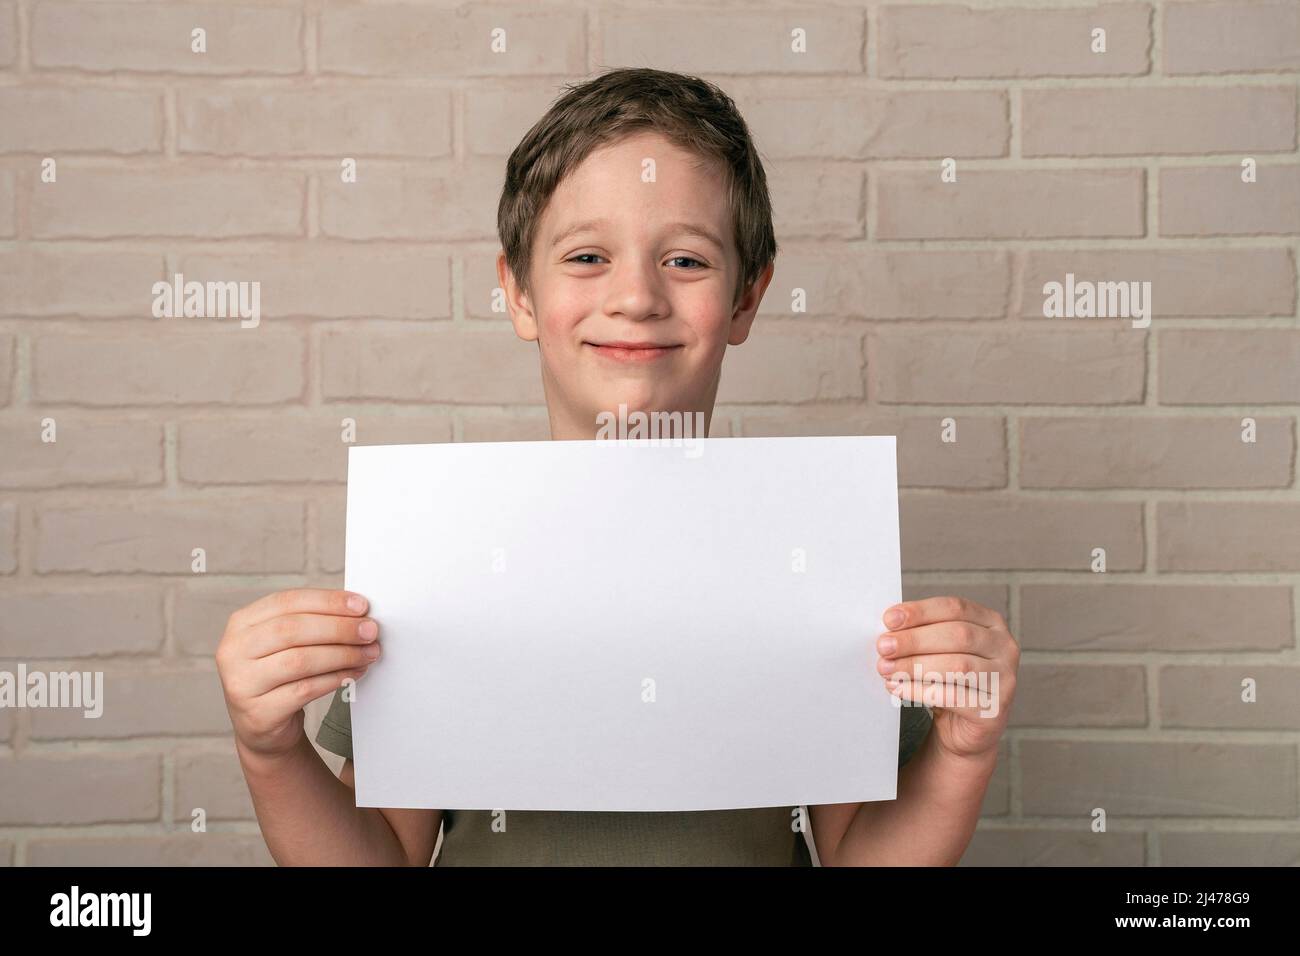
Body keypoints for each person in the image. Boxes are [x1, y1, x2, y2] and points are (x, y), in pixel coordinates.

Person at [216, 67, 1020, 866]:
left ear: (747, 298)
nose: (636, 297)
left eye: (687, 261)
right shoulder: (448, 549)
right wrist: (271, 752)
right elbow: (380, 859)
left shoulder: (805, 549)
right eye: (588, 257)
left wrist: (963, 754)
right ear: (519, 294)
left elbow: (860, 860)